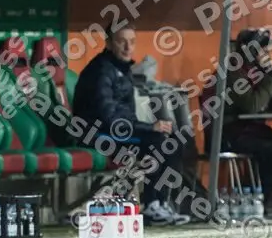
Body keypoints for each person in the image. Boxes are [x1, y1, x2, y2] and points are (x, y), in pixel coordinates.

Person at [72, 24, 190, 225]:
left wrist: (143, 127)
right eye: (121, 41)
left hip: (116, 132)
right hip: (96, 135)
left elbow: (125, 116)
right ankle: (152, 205)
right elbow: (108, 118)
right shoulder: (100, 72)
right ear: (109, 43)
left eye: (132, 42)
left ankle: (161, 203)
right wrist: (146, 128)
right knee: (158, 141)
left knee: (174, 139)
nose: (128, 47)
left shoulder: (121, 69)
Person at [223, 28, 272, 210]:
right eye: (260, 49)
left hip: (255, 132)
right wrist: (271, 78)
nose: (264, 53)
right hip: (233, 133)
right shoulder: (234, 72)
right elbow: (252, 105)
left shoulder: (258, 70)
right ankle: (263, 199)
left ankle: (270, 195)